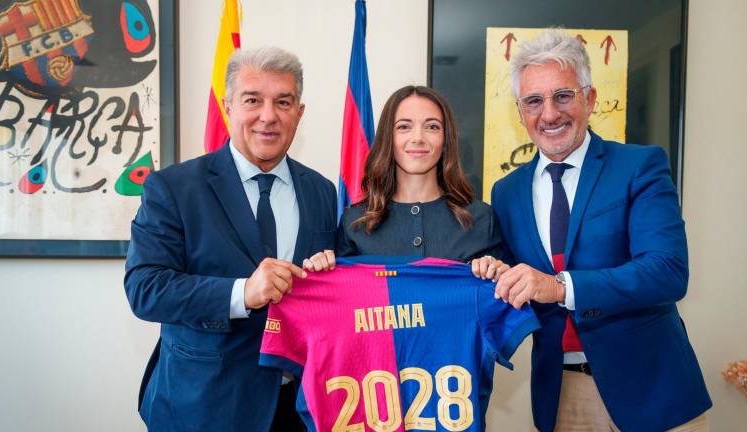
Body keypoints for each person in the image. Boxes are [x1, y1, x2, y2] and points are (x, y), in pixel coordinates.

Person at [491, 30, 711, 431]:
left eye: (563, 95)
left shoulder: (639, 166)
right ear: (520, 111)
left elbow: (667, 271)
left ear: (589, 99)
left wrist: (561, 287)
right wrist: (490, 272)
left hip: (653, 388)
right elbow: (515, 284)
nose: (550, 114)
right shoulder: (506, 193)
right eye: (534, 101)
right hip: (562, 395)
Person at [124, 47, 336, 431]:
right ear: (228, 106)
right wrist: (242, 293)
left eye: (283, 102)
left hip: (300, 409)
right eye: (252, 100)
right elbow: (146, 289)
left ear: (299, 113)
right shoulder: (173, 187)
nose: (268, 116)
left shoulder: (322, 191)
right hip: (203, 406)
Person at [306, 85, 508, 280]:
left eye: (432, 127)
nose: (418, 137)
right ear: (388, 138)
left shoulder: (481, 219)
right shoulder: (355, 222)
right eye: (404, 127)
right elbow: (344, 304)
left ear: (446, 140)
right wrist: (320, 274)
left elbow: (506, 303)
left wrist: (498, 274)